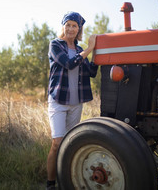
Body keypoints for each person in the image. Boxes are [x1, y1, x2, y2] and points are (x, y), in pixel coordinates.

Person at [46, 12, 98, 190]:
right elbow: (69, 63)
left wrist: (97, 51)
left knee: (70, 144)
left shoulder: (80, 50)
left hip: (76, 103)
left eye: (74, 25)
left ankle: (67, 182)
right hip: (58, 101)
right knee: (57, 143)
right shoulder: (55, 45)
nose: (70, 28)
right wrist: (89, 49)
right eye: (67, 25)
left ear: (79, 29)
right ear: (63, 27)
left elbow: (92, 72)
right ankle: (50, 184)